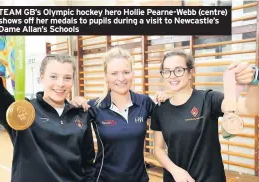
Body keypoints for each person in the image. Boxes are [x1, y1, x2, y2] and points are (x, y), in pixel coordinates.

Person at [0, 52, 96, 182]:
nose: (60, 84)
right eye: (53, 77)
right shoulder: (22, 111)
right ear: (42, 77)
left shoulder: (80, 114)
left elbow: (88, 164)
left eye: (67, 78)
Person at [150, 50, 259, 182]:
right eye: (166, 71)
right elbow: (158, 149)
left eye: (178, 70)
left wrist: (254, 79)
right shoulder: (160, 109)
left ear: (191, 72)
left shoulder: (208, 99)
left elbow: (249, 107)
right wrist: (175, 171)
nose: (172, 76)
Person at [84, 47, 168, 182]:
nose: (121, 78)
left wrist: (165, 100)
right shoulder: (94, 107)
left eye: (126, 72)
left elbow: (170, 121)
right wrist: (73, 103)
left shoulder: (144, 102)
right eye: (114, 73)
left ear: (132, 74)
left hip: (139, 178)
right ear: (106, 76)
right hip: (104, 178)